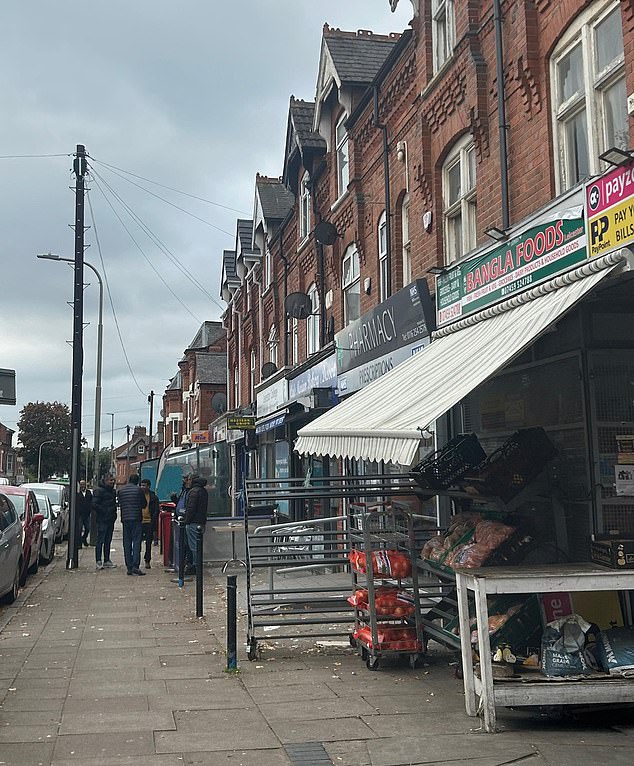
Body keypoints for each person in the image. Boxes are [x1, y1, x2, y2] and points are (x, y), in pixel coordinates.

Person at [117, 473, 147, 576]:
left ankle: (129, 566)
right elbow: (144, 504)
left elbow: (120, 503)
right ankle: (135, 565)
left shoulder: (121, 490)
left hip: (125, 518)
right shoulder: (139, 490)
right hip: (136, 518)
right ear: (137, 481)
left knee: (127, 542)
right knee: (137, 541)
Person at [183, 474, 208, 575]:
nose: (187, 482)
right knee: (197, 544)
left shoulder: (193, 491)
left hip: (193, 522)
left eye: (188, 480)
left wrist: (186, 521)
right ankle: (197, 565)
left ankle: (195, 566)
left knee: (193, 546)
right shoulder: (203, 491)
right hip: (201, 521)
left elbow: (191, 509)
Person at [92, 473, 117, 570]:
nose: (113, 482)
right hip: (102, 519)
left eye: (113, 480)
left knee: (108, 540)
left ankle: (107, 560)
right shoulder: (99, 491)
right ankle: (98, 560)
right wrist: (104, 511)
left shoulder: (112, 492)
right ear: (106, 480)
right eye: (111, 480)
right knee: (100, 540)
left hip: (110, 519)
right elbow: (94, 504)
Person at [140, 478, 159, 569]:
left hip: (149, 522)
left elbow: (156, 510)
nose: (142, 487)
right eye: (142, 485)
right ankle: (136, 559)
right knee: (137, 542)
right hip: (139, 521)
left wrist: (153, 520)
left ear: (148, 486)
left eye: (144, 485)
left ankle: (147, 560)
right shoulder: (138, 495)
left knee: (148, 543)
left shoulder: (153, 497)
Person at [76, 479, 93, 547]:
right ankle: (79, 543)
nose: (82, 486)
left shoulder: (89, 493)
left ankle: (84, 538)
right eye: (81, 484)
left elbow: (91, 501)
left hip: (87, 514)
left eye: (83, 484)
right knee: (79, 529)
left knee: (88, 528)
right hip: (80, 514)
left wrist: (90, 509)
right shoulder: (78, 493)